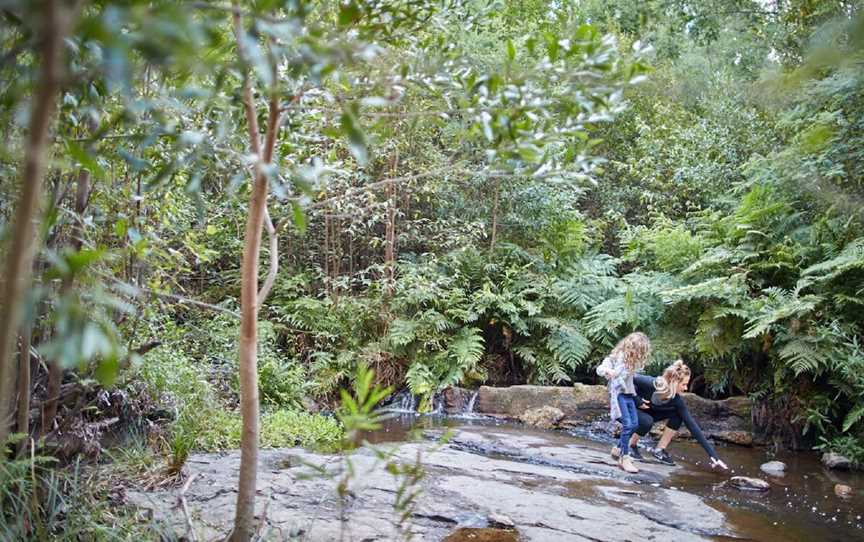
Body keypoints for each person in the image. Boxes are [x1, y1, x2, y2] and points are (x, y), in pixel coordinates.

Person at [626, 360, 729, 470]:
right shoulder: (652, 383)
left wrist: (713, 456)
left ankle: (659, 450)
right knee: (647, 421)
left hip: (648, 411)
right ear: (673, 381)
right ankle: (631, 445)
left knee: (677, 414)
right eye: (684, 384)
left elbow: (692, 425)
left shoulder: (676, 400)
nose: (686, 388)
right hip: (629, 408)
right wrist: (637, 400)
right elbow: (627, 378)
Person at [595, 332, 652, 474]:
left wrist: (636, 398)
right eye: (636, 350)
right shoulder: (615, 358)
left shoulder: (631, 363)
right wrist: (610, 371)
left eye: (640, 352)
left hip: (628, 395)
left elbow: (629, 381)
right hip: (619, 396)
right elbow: (600, 369)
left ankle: (618, 449)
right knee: (628, 424)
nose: (638, 354)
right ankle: (623, 458)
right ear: (629, 347)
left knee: (635, 424)